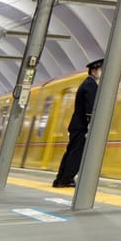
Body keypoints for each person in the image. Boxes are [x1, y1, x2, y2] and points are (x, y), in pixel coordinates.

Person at [52, 58, 103, 188]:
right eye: (101, 70)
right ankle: (66, 179)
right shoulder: (91, 85)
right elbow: (91, 107)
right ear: (94, 71)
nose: (102, 73)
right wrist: (92, 124)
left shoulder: (85, 83)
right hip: (82, 126)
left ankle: (60, 178)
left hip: (76, 125)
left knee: (70, 152)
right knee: (77, 154)